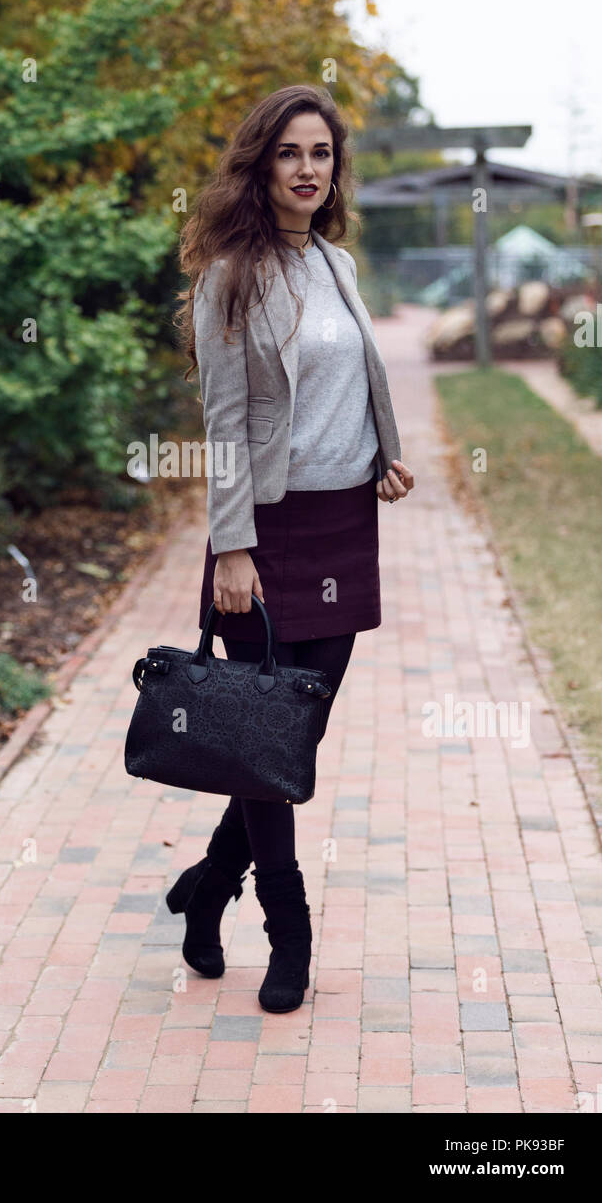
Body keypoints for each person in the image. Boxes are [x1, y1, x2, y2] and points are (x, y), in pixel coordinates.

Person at [170, 83, 414, 1013]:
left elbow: (355, 377)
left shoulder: (338, 265)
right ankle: (288, 926)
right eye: (289, 153)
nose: (308, 169)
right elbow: (225, 423)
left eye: (321, 153)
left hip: (346, 524)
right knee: (270, 741)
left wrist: (384, 457)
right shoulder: (231, 276)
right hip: (267, 533)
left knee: (289, 738)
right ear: (259, 165)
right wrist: (232, 548)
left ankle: (203, 892)